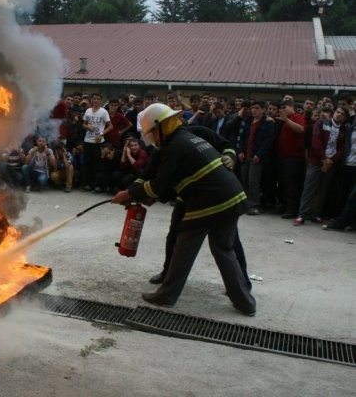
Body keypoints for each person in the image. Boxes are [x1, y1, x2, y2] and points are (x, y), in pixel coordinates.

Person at [112, 103, 255, 316]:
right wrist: (138, 190)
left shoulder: (175, 146)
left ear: (162, 127)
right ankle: (246, 303)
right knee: (224, 249)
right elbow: (154, 176)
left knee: (184, 246)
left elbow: (160, 184)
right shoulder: (184, 139)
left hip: (209, 201)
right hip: (231, 197)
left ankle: (166, 295)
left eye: (152, 133)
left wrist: (130, 194)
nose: (153, 139)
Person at [294, 106, 348, 225]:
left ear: (344, 118)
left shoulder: (343, 130)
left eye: (342, 114)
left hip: (331, 164)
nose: (339, 115)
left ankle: (316, 214)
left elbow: (341, 149)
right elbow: (316, 141)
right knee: (309, 188)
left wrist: (331, 160)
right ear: (334, 113)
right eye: (338, 112)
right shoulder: (322, 122)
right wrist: (324, 158)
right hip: (316, 161)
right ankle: (302, 215)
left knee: (322, 190)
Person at [81, 93, 112, 191]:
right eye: (94, 99)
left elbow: (110, 126)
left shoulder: (104, 112)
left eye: (98, 99)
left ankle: (97, 185)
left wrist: (101, 134)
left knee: (97, 164)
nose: (96, 101)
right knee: (87, 163)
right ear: (91, 100)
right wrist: (88, 126)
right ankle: (87, 184)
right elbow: (83, 124)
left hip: (98, 141)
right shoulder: (88, 111)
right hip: (87, 140)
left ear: (101, 101)